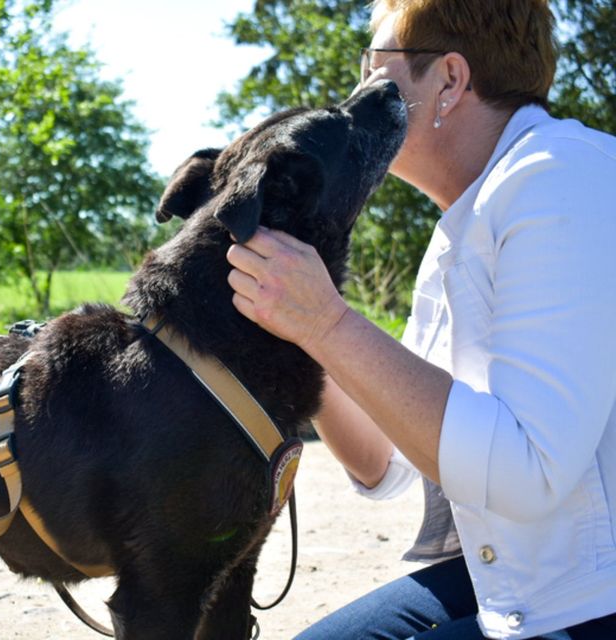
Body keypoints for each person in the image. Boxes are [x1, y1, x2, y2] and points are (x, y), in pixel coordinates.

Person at [225, 1, 616, 638]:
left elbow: (527, 469)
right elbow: (381, 464)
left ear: (451, 81)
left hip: (594, 592)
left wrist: (325, 322)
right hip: (531, 574)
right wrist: (295, 329)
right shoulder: (466, 221)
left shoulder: (558, 179)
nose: (355, 95)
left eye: (374, 70)